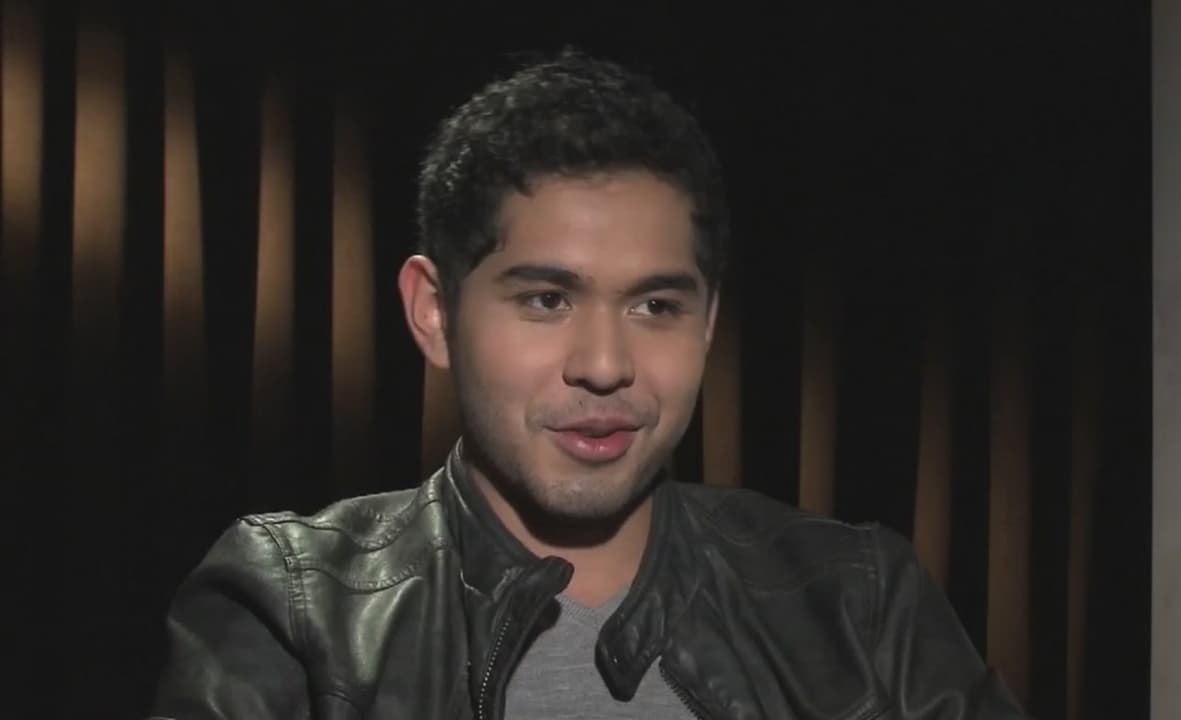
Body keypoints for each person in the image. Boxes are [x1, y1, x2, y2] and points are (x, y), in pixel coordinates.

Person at [149, 49, 1029, 720]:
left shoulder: (860, 603)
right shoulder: (293, 610)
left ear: (708, 323)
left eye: (655, 305)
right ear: (435, 313)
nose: (605, 365)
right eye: (546, 299)